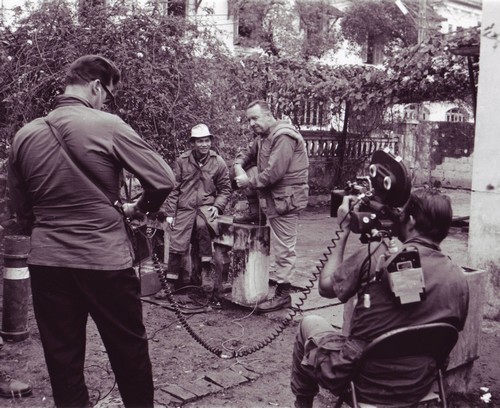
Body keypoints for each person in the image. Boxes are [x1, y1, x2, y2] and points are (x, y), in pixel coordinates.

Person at [7, 55, 175, 407]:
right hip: (105, 261)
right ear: (97, 86)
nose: (105, 103)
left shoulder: (25, 135)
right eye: (107, 96)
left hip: (48, 263)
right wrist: (138, 208)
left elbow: (22, 212)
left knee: (63, 359)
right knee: (128, 350)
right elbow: (163, 180)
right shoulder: (107, 125)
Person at [291, 188, 470, 408]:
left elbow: (326, 287)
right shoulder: (459, 278)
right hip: (419, 384)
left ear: (411, 221)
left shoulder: (377, 255)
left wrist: (344, 230)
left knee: (309, 324)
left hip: (364, 382)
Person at [233, 100, 309, 313]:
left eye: (255, 118)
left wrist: (248, 181)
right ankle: (254, 211)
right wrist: (238, 166)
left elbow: (274, 173)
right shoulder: (262, 137)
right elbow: (246, 157)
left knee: (284, 248)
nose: (251, 124)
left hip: (286, 200)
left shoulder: (283, 136)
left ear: (268, 115)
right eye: (249, 119)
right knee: (246, 172)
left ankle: (283, 294)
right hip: (272, 198)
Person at [154, 123, 231, 300]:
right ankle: (171, 283)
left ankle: (206, 272)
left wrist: (217, 206)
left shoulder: (217, 162)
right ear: (193, 143)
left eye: (207, 141)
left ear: (210, 141)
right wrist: (170, 214)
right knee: (177, 241)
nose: (204, 145)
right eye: (200, 141)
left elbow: (225, 188)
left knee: (202, 226)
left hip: (205, 207)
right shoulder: (182, 161)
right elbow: (174, 189)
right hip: (185, 207)